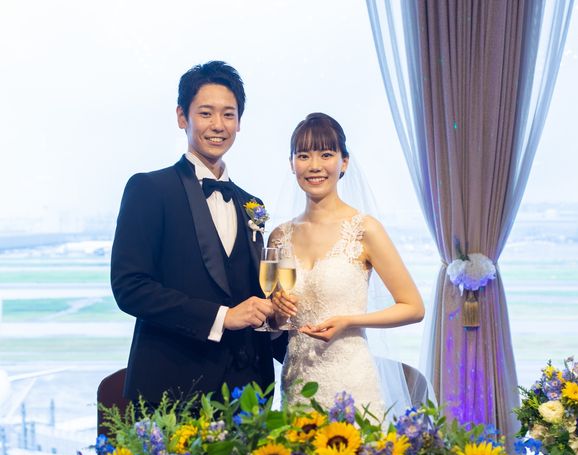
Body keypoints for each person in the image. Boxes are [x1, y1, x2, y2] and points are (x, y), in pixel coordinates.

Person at [111, 61, 284, 405]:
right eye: (206, 113)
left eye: (229, 115)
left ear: (239, 122)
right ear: (182, 117)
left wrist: (283, 324)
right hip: (174, 388)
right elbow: (130, 287)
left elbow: (253, 291)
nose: (218, 125)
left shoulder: (252, 204)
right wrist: (223, 317)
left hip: (248, 392)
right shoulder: (150, 189)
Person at [270, 112, 425, 415]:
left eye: (326, 154)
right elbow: (278, 324)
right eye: (304, 155)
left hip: (351, 381)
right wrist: (276, 312)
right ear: (292, 164)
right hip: (297, 382)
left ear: (344, 163)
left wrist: (350, 321)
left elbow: (413, 307)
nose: (315, 165)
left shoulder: (365, 229)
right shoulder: (279, 236)